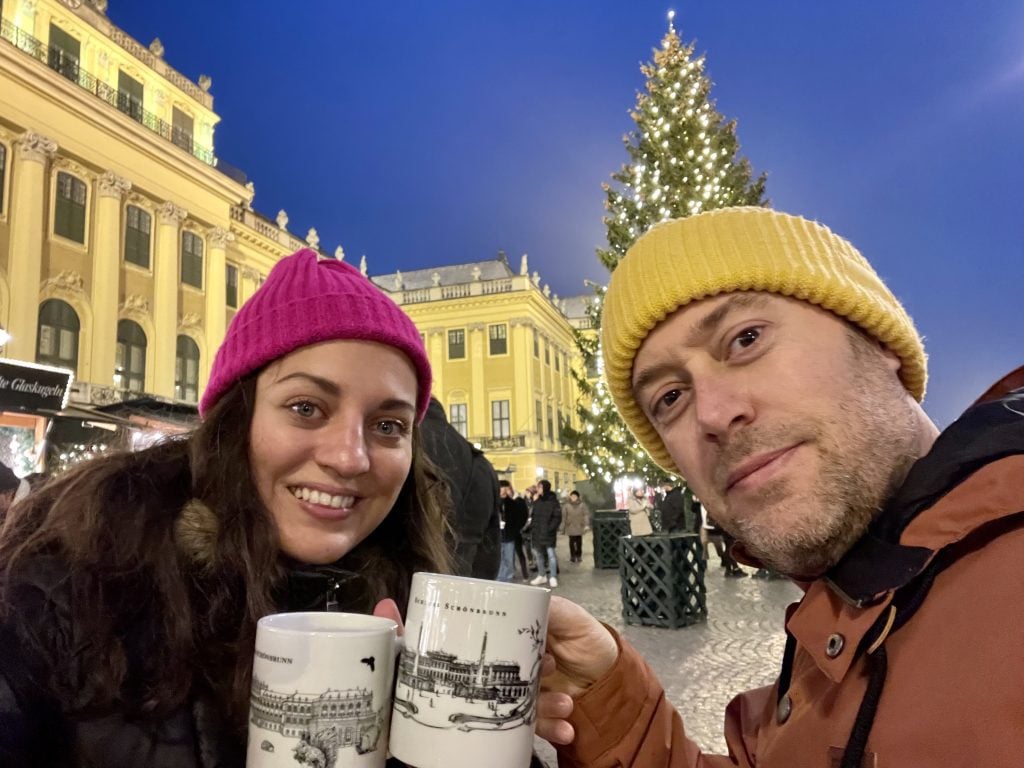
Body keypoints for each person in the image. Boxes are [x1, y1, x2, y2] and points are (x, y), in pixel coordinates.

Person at [536, 207, 1024, 766]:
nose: (714, 415)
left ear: (878, 337)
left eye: (746, 339)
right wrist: (609, 696)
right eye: (670, 398)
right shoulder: (848, 606)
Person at [0, 248, 452, 767]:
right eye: (306, 408)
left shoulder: (417, 607)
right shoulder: (68, 591)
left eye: (389, 426)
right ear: (235, 422)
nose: (350, 457)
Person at [419, 396, 501, 579]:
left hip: (403, 582)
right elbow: (490, 549)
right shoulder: (479, 462)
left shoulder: (403, 446)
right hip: (464, 580)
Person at [527, 479, 561, 588]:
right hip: (537, 533)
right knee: (538, 555)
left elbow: (557, 518)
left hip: (548, 534)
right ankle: (542, 575)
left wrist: (549, 529)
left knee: (551, 555)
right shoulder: (538, 501)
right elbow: (533, 516)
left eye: (540, 487)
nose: (538, 489)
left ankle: (553, 576)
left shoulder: (553, 501)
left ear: (545, 488)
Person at [497, 480, 530, 582]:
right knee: (499, 560)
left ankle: (508, 579)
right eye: (502, 488)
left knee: (509, 560)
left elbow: (521, 518)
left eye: (505, 488)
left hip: (509, 536)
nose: (503, 490)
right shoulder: (494, 503)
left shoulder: (513, 503)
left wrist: (515, 530)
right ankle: (500, 580)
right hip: (497, 537)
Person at [561, 490, 590, 563]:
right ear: (570, 497)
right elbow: (564, 517)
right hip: (570, 525)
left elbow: (585, 514)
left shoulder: (582, 505)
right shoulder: (567, 506)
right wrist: (562, 527)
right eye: (572, 496)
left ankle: (579, 555)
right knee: (571, 542)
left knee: (579, 542)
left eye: (575, 496)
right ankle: (572, 556)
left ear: (578, 497)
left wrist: (586, 524)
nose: (573, 498)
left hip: (579, 525)